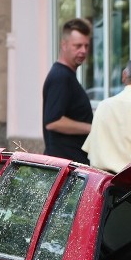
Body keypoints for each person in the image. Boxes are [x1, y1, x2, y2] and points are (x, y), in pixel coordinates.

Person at [42, 18, 94, 163]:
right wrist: (94, 128)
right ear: (63, 45)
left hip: (70, 165)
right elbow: (53, 121)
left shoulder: (66, 75)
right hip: (66, 167)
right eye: (77, 46)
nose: (83, 51)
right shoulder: (61, 77)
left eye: (86, 46)